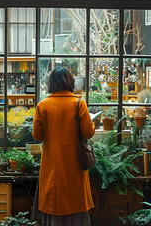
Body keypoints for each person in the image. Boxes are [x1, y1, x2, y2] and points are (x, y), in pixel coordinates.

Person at [32, 66, 95, 226]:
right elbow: (88, 133)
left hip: (51, 164)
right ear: (70, 81)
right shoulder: (79, 103)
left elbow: (37, 135)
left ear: (51, 82)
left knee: (53, 200)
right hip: (74, 165)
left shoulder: (42, 105)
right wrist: (92, 124)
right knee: (75, 201)